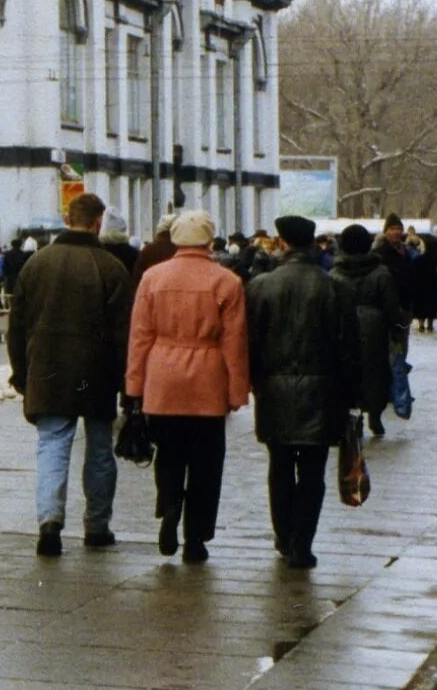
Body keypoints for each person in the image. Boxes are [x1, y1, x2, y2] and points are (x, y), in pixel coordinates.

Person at [8, 193, 133, 556]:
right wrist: (128, 381)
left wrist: (20, 371)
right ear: (97, 223)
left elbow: (18, 324)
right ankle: (97, 526)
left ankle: (49, 521)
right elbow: (124, 332)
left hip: (47, 369)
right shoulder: (110, 267)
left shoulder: (37, 263)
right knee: (98, 449)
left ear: (67, 218)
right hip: (96, 371)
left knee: (52, 445)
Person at [125, 211, 248, 561]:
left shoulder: (152, 278)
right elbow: (234, 343)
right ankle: (196, 538)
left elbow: (139, 337)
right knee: (207, 462)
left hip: (162, 377)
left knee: (169, 452)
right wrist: (237, 390)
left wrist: (135, 385)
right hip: (207, 379)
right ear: (209, 240)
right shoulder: (227, 282)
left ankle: (169, 505)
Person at [243, 215, 358, 571]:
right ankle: (302, 543)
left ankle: (284, 534)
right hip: (322, 391)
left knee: (279, 466)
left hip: (274, 389)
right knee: (313, 471)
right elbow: (349, 347)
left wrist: (254, 382)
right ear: (311, 243)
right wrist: (350, 395)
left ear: (282, 242)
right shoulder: (335, 287)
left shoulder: (261, 286)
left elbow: (249, 342)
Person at [330, 224, 408, 437]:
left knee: (346, 373)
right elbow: (392, 307)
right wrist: (399, 332)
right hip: (375, 330)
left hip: (343, 330)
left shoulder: (335, 274)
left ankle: (349, 415)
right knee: (376, 373)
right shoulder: (381, 273)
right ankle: (375, 415)